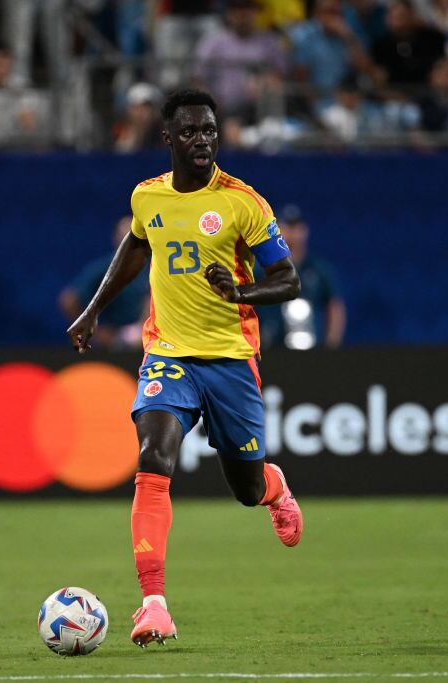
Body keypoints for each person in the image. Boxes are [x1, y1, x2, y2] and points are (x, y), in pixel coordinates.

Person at [66, 88, 304, 648]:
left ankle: (274, 488)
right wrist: (93, 309)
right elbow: (134, 249)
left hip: (230, 360)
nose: (204, 140)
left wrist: (241, 289)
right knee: (153, 455)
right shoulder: (147, 197)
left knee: (244, 488)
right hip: (168, 352)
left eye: (210, 131)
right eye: (192, 131)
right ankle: (154, 606)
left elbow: (288, 280)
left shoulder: (244, 203)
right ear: (169, 138)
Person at [255, 206, 346, 349]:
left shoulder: (319, 269)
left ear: (305, 231)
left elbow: (334, 306)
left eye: (296, 227)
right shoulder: (261, 269)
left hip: (312, 351)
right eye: (286, 227)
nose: (292, 234)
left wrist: (331, 344)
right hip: (270, 348)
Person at [58, 216, 149, 350]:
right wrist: (96, 333)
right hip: (116, 345)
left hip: (150, 341)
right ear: (116, 238)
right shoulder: (105, 268)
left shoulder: (154, 266)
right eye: (125, 237)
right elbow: (69, 299)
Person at [193, 0, 287, 118]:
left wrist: (265, 83)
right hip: (219, 113)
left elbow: (280, 77)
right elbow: (198, 81)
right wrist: (212, 106)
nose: (242, 13)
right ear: (228, 12)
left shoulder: (270, 41)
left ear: (256, 11)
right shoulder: (212, 43)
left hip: (260, 113)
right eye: (236, 7)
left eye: (247, 7)